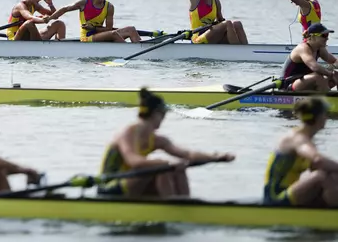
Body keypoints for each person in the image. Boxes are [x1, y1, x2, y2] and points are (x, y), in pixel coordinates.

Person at [98, 88, 234, 198]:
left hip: (131, 183)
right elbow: (134, 161)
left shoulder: (157, 140)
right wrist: (165, 164)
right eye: (163, 115)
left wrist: (216, 157)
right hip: (109, 186)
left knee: (178, 168)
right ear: (156, 114)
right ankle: (170, 208)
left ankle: (184, 204)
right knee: (163, 168)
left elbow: (188, 155)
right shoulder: (128, 133)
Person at [263, 97, 338, 207]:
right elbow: (318, 160)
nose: (326, 118)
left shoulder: (306, 139)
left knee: (332, 174)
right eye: (324, 114)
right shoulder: (298, 139)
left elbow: (316, 165)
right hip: (276, 197)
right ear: (318, 117)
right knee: (321, 176)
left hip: (290, 192)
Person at [48, 0, 140, 43]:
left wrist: (94, 28)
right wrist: (49, 18)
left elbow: (108, 28)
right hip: (86, 37)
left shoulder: (109, 7)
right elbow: (65, 8)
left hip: (101, 34)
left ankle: (140, 48)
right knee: (114, 34)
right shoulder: (84, 2)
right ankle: (129, 51)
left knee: (131, 29)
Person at [281, 23, 338, 92]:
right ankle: (326, 96)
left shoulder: (320, 49)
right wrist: (330, 74)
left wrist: (334, 74)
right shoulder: (303, 48)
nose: (327, 38)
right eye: (324, 35)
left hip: (304, 81)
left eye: (327, 35)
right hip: (289, 84)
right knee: (318, 77)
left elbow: (335, 61)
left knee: (336, 75)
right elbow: (315, 67)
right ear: (313, 37)